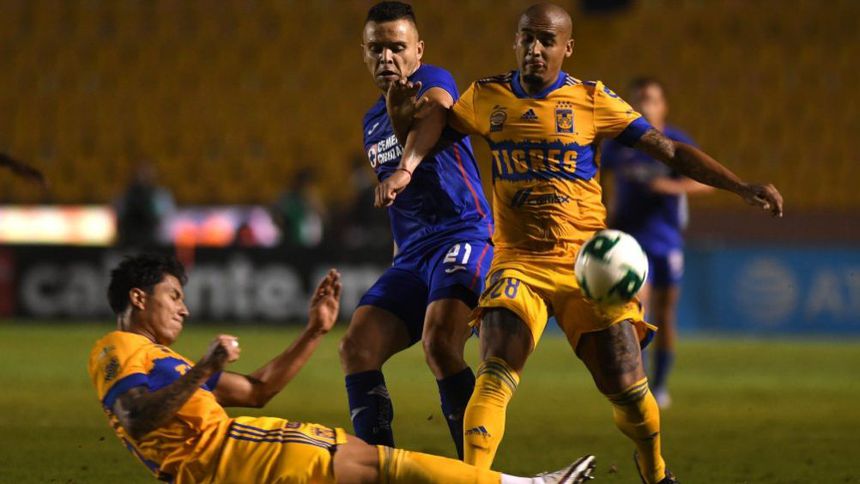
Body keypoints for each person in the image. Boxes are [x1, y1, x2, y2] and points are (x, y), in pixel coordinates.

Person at [381, 4, 783, 483]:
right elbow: (433, 129)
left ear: (567, 48)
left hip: (588, 267)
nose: (535, 48)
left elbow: (669, 150)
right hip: (518, 261)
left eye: (546, 40)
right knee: (494, 373)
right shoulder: (486, 96)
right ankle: (475, 478)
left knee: (628, 389)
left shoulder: (592, 100)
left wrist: (739, 186)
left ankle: (654, 470)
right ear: (515, 41)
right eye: (527, 38)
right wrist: (405, 162)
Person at [87, 254, 595, 483]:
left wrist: (314, 331)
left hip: (229, 466)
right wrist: (204, 367)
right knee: (381, 466)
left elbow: (258, 389)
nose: (184, 309)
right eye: (174, 296)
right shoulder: (119, 348)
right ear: (139, 298)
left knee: (375, 465)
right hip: (236, 455)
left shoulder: (167, 363)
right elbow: (136, 417)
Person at [340, 1, 494, 459]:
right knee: (356, 347)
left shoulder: (433, 81)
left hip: (463, 236)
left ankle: (476, 471)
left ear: (418, 50)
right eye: (376, 49)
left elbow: (436, 115)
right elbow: (401, 207)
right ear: (364, 54)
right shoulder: (371, 123)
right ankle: (378, 467)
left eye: (397, 47)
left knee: (440, 344)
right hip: (411, 257)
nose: (387, 57)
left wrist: (404, 168)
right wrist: (398, 257)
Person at [601, 77, 713, 409]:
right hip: (630, 241)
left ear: (664, 106)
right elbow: (598, 177)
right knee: (638, 308)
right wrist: (604, 216)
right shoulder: (619, 144)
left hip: (666, 238)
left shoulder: (675, 141)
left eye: (650, 99)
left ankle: (661, 384)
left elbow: (705, 181)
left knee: (665, 313)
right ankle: (640, 383)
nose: (644, 106)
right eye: (638, 100)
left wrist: (672, 187)